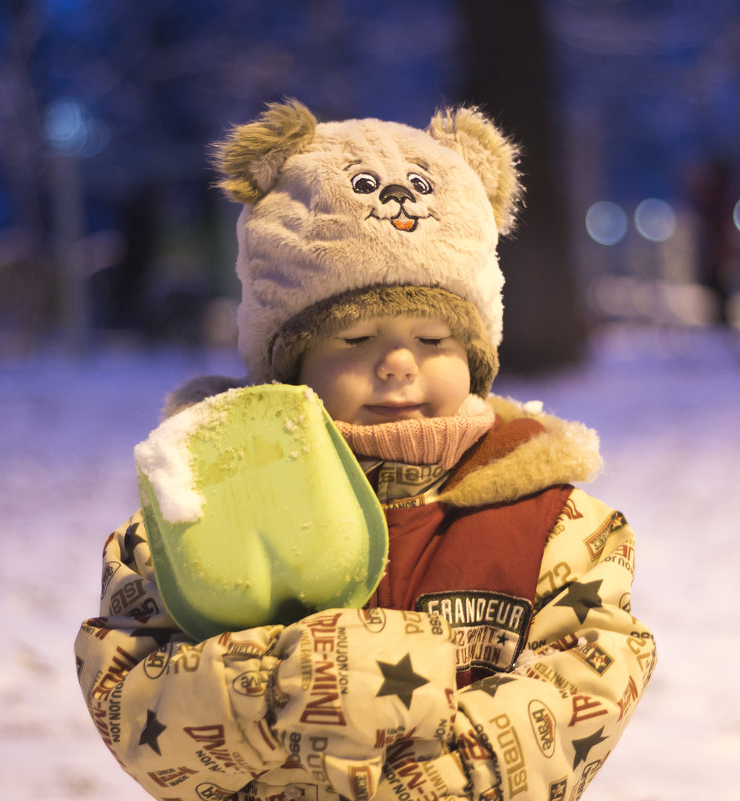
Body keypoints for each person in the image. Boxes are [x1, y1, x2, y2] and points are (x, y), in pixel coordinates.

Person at [74, 99, 655, 801]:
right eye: (355, 340)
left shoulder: (556, 527)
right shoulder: (194, 509)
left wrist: (429, 781)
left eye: (435, 340)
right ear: (289, 366)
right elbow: (128, 691)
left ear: (475, 355)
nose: (398, 364)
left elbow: (587, 679)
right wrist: (287, 685)